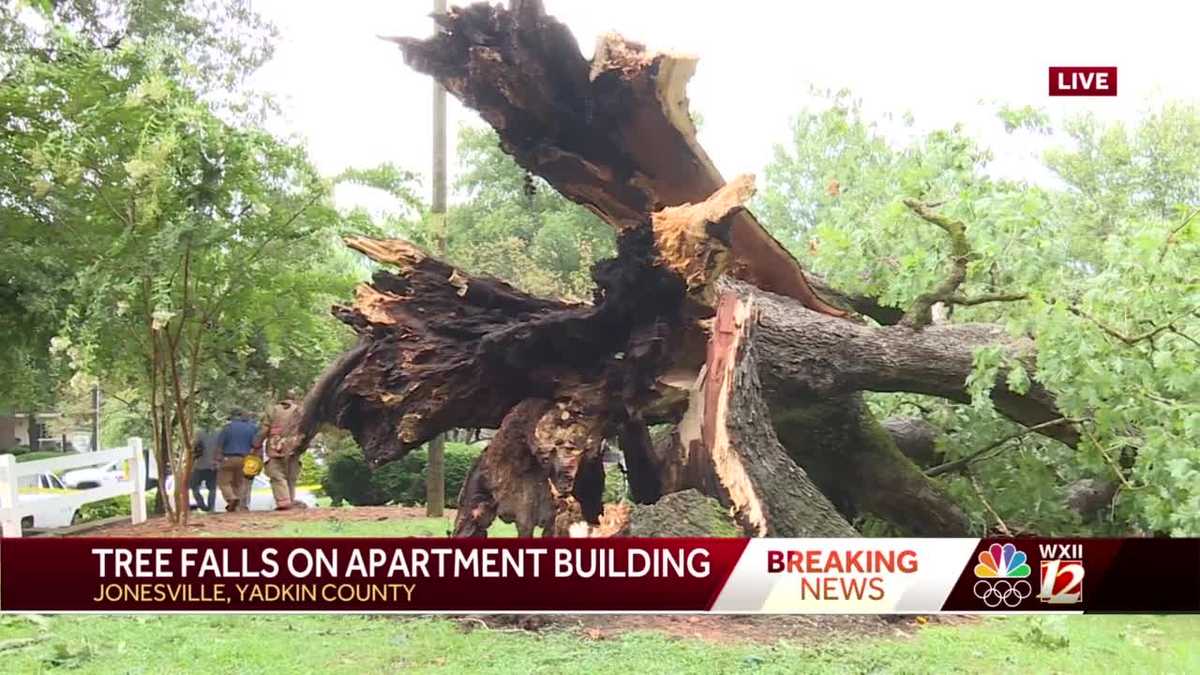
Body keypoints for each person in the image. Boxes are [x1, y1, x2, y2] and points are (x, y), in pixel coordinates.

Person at [258, 398, 304, 510]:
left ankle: (284, 501)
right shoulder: (300, 410)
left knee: (276, 475)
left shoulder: (272, 410)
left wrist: (256, 444)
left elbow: (264, 430)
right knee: (291, 477)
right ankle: (290, 500)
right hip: (294, 447)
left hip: (275, 446)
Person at [215, 409, 259, 512]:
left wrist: (217, 459)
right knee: (239, 483)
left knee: (224, 482)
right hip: (244, 459)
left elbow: (219, 445)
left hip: (228, 458)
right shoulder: (252, 428)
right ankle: (238, 506)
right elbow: (256, 444)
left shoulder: (227, 428)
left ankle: (231, 498)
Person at [190, 429, 219, 512]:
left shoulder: (198, 432)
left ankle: (201, 504)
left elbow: (193, 447)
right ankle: (211, 508)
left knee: (194, 487)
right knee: (212, 488)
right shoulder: (218, 433)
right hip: (212, 465)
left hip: (199, 465)